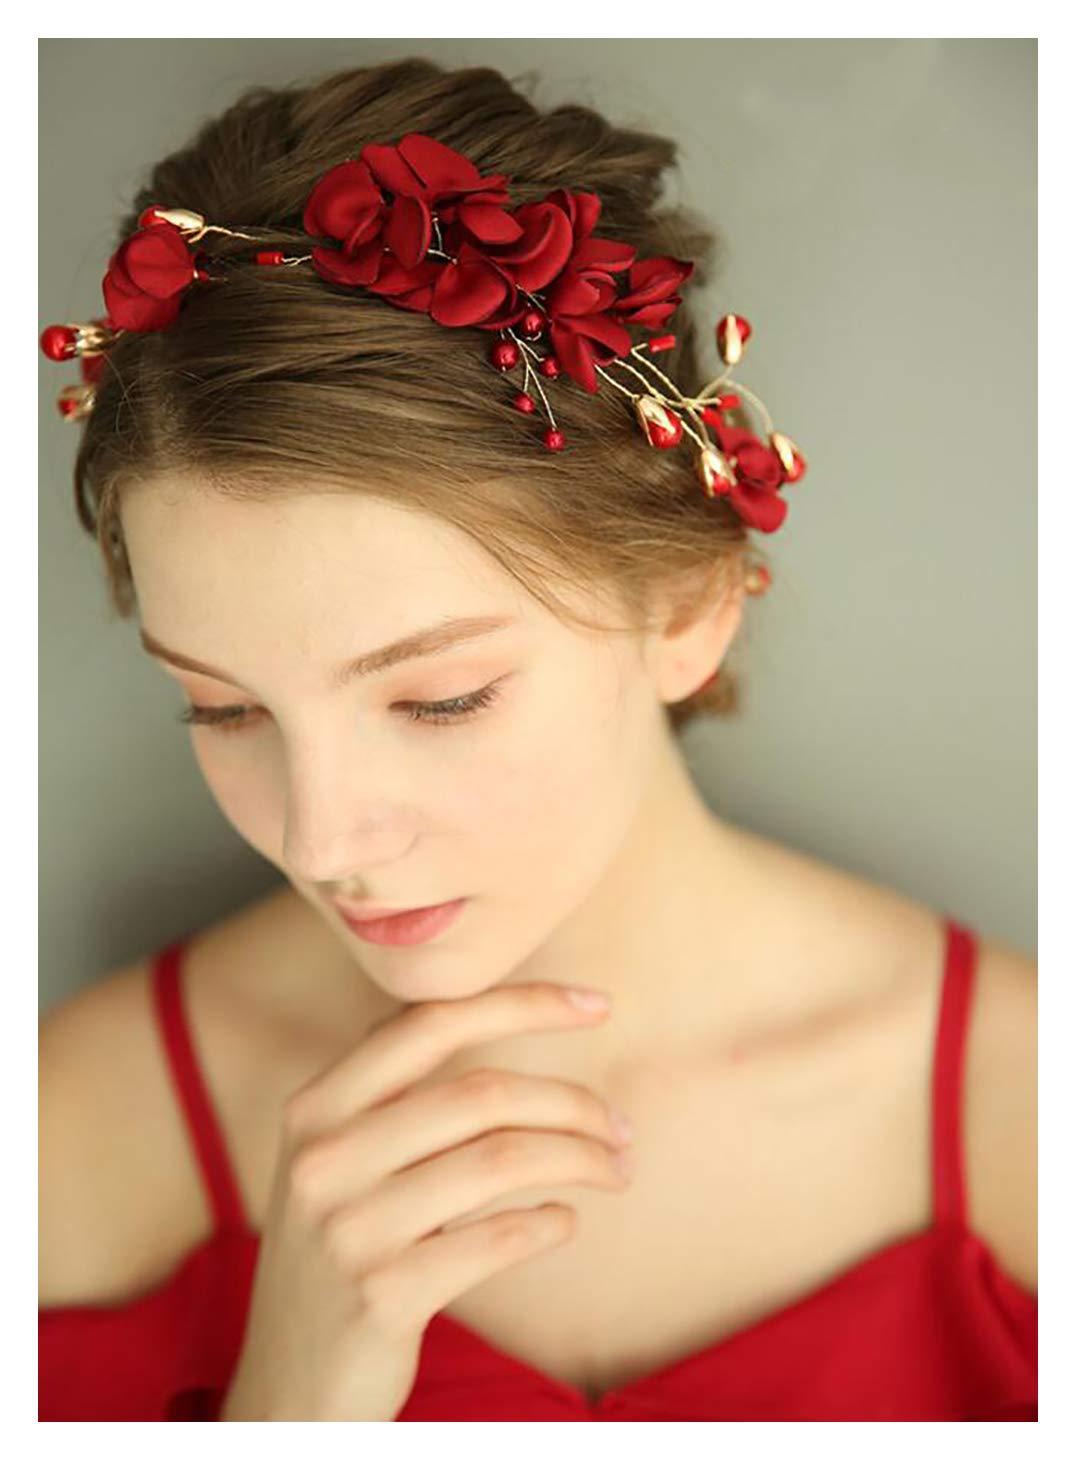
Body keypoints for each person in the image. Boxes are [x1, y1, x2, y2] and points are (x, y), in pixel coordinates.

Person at [38, 56, 1036, 1422]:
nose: (323, 839)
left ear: (686, 604)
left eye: (440, 698)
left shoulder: (1029, 1113)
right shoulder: (71, 1135)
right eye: (225, 708)